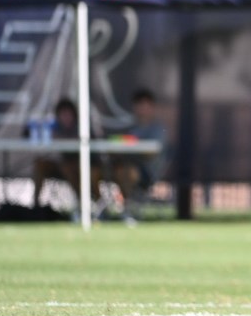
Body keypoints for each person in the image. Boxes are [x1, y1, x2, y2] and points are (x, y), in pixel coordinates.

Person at [105, 89, 167, 225]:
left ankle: (129, 210)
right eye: (140, 105)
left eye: (146, 105)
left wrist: (132, 148)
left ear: (152, 107)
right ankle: (99, 212)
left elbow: (151, 152)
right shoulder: (129, 126)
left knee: (128, 172)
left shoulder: (157, 129)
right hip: (121, 167)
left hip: (147, 173)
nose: (143, 109)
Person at [29, 98, 100, 213]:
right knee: (40, 164)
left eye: (68, 114)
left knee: (68, 167)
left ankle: (84, 202)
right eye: (63, 114)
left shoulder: (82, 128)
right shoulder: (53, 128)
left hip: (80, 166)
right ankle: (35, 205)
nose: (66, 117)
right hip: (58, 166)